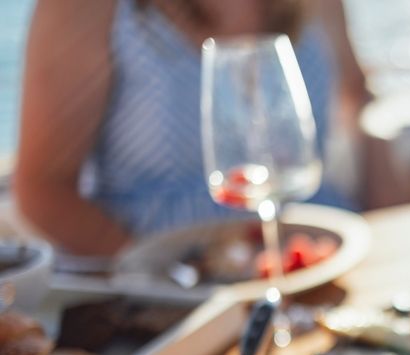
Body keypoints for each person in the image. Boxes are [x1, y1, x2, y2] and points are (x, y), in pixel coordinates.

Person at [13, 0, 369, 256]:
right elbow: (42, 187)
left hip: (323, 258)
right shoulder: (85, 8)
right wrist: (163, 276)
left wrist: (395, 228)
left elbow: (357, 98)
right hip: (171, 293)